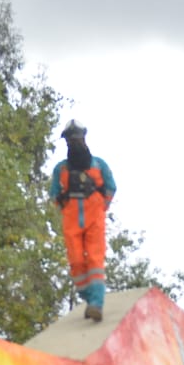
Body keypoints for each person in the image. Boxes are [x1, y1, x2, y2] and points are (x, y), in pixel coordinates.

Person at [48, 120, 117, 321]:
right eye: (71, 139)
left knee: (95, 260)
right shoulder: (60, 169)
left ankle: (96, 304)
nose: (74, 142)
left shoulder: (99, 164)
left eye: (77, 138)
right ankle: (88, 297)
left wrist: (100, 206)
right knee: (77, 261)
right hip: (71, 221)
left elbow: (111, 187)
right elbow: (54, 194)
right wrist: (65, 207)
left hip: (94, 218)